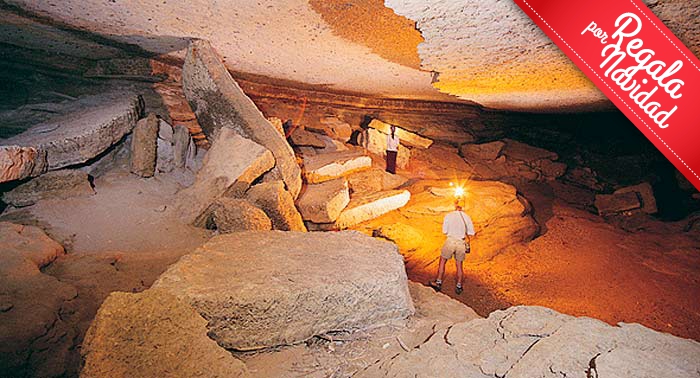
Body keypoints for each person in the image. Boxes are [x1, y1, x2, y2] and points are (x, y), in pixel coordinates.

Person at [429, 199, 475, 294]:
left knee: (442, 261)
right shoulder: (467, 217)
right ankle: (459, 286)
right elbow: (471, 233)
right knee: (459, 265)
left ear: (454, 205)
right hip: (460, 242)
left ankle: (438, 282)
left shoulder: (449, 216)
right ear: (463, 206)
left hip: (450, 241)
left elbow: (444, 231)